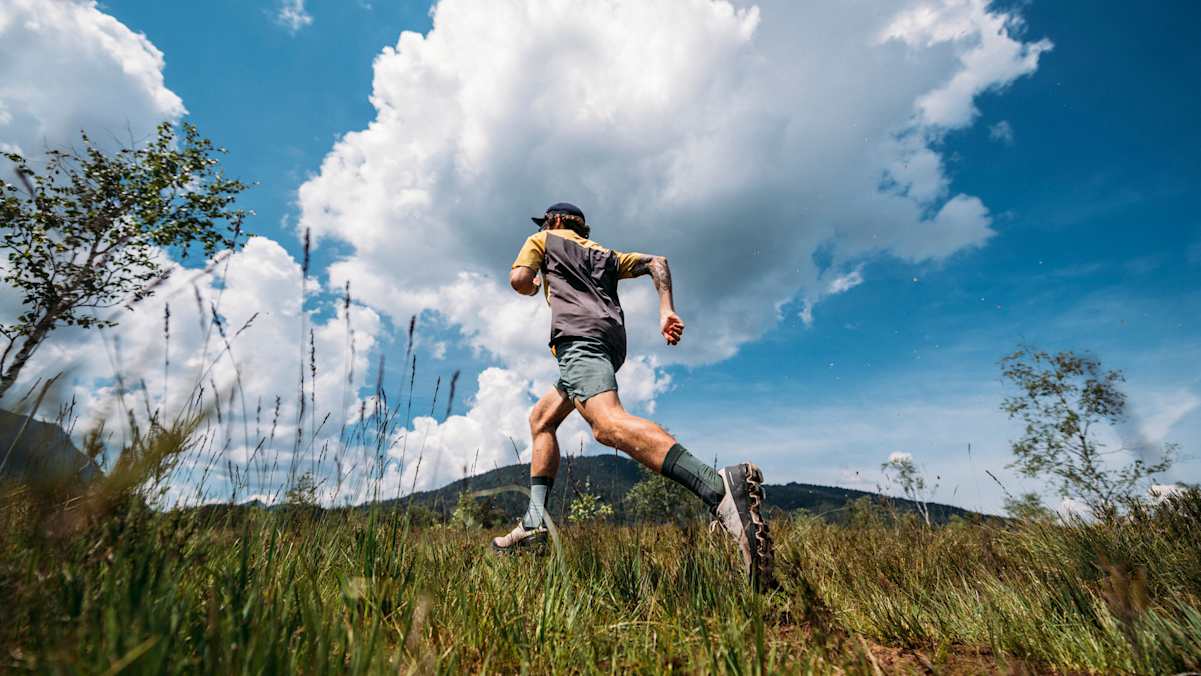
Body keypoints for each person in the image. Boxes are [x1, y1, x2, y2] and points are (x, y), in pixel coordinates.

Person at [491, 202, 773, 584]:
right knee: (541, 419)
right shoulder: (605, 254)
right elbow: (657, 262)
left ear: (554, 221)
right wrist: (666, 310)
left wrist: (533, 284)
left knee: (607, 425)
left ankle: (719, 489)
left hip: (579, 340)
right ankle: (535, 520)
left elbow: (519, 279)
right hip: (608, 342)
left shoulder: (542, 239)